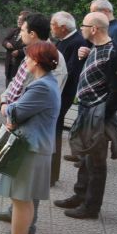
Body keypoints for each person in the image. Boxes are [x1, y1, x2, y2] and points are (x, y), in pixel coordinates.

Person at [0, 12, 67, 234]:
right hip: (17, 120)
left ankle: (27, 228)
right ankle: (15, 215)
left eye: (22, 30)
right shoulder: (32, 54)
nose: (19, 34)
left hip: (29, 127)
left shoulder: (52, 59)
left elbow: (42, 98)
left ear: (32, 34)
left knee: (28, 183)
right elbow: (16, 83)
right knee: (18, 180)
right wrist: (5, 99)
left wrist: (11, 111)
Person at [54, 12, 117, 219]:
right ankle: (79, 195)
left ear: (94, 29)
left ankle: (91, 206)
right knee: (85, 157)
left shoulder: (114, 53)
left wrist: (102, 116)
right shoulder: (96, 47)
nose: (81, 29)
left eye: (84, 26)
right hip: (87, 110)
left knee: (96, 162)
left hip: (97, 114)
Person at [49, 11, 87, 185]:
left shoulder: (77, 42)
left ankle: (51, 175)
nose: (51, 28)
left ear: (63, 28)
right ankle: (48, 173)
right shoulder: (64, 40)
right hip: (57, 92)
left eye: (53, 25)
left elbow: (70, 72)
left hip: (62, 95)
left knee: (54, 133)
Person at [2, 11, 30, 88]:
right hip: (9, 63)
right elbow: (4, 40)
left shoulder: (29, 34)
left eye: (21, 20)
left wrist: (19, 52)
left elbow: (30, 48)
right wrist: (6, 44)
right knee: (8, 84)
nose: (18, 21)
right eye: (18, 19)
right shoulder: (14, 31)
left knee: (15, 85)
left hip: (19, 65)